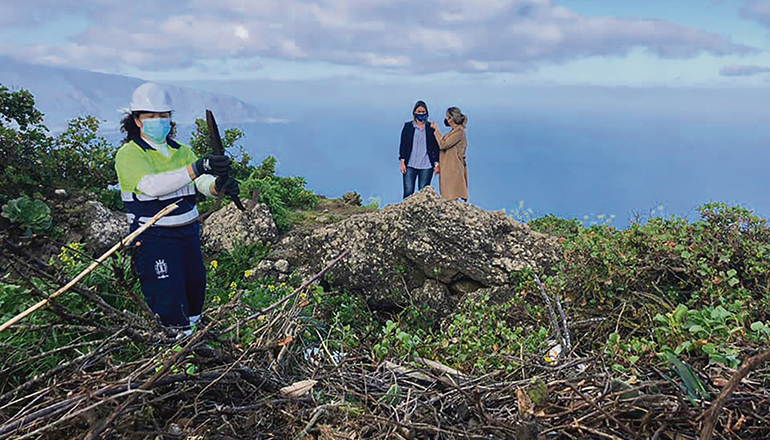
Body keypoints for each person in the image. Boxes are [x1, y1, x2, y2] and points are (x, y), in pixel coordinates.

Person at [115, 82, 240, 332]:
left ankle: (193, 349)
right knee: (168, 299)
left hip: (188, 234)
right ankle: (173, 353)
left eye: (164, 115)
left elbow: (201, 184)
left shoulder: (182, 151)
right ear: (137, 120)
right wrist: (197, 168)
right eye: (152, 116)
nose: (159, 120)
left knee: (195, 292)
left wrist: (219, 184)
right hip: (155, 238)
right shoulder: (130, 154)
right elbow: (152, 186)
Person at [398, 100, 440, 199]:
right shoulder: (408, 126)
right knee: (408, 191)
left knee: (423, 193)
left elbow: (436, 147)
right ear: (414, 113)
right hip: (410, 164)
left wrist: (437, 163)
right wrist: (402, 162)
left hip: (426, 165)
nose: (421, 114)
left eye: (423, 112)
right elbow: (403, 145)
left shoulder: (430, 128)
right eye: (419, 112)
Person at [431, 107, 468, 201]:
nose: (446, 120)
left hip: (453, 168)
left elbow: (443, 144)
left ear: (452, 119)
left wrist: (436, 131)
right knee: (447, 195)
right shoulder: (453, 132)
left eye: (447, 117)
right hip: (447, 168)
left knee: (452, 195)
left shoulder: (459, 132)